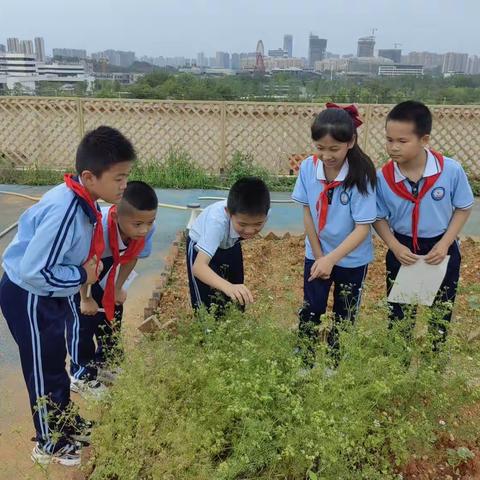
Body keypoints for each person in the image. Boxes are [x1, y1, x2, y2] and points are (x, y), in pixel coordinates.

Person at [0, 126, 135, 466]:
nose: (124, 185)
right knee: (43, 368)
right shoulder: (65, 210)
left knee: (54, 362)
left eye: (126, 177)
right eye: (118, 178)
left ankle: (62, 421)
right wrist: (81, 275)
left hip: (47, 293)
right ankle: (50, 442)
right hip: (29, 294)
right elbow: (34, 270)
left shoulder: (82, 200)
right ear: (90, 177)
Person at [374, 100, 474, 348]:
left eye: (402, 141)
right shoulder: (382, 177)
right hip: (403, 248)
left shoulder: (450, 170)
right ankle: (399, 359)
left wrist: (444, 244)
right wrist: (394, 247)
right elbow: (378, 216)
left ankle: (435, 357)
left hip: (441, 247)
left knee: (442, 308)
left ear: (424, 139)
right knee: (399, 311)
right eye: (389, 140)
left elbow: (463, 207)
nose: (393, 147)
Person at [292, 103, 377, 365]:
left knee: (345, 313)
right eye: (320, 148)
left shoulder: (361, 174)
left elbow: (362, 228)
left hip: (352, 259)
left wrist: (332, 259)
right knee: (312, 308)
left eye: (334, 149)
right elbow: (308, 212)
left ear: (350, 142)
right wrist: (320, 257)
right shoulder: (308, 167)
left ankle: (334, 363)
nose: (326, 155)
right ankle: (304, 361)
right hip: (317, 253)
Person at [67, 181, 157, 397]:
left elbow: (132, 257)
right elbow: (85, 263)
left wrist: (117, 288)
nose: (144, 229)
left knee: (113, 314)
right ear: (116, 217)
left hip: (109, 268)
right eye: (138, 225)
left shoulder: (145, 226)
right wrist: (85, 298)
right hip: (82, 271)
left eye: (149, 222)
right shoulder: (97, 228)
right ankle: (81, 375)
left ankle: (106, 362)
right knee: (84, 322)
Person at [187, 177, 270, 313]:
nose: (249, 231)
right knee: (205, 303)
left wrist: (231, 287)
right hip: (202, 246)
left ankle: (233, 323)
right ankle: (208, 329)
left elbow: (246, 226)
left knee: (236, 293)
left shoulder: (262, 212)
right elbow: (198, 267)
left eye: (258, 224)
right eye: (242, 224)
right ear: (228, 213)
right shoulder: (217, 223)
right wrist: (228, 287)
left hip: (230, 243)